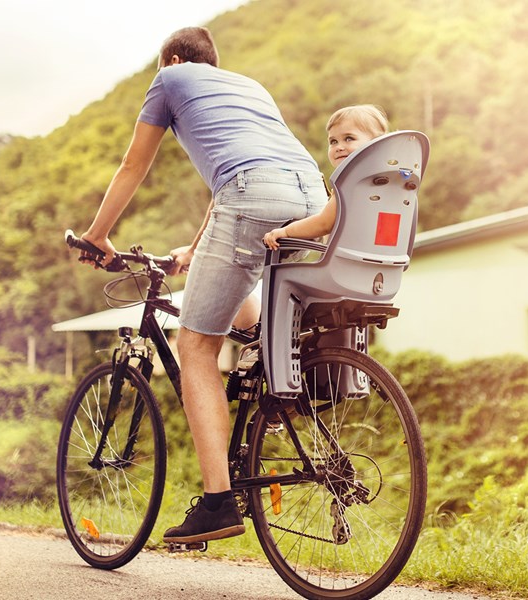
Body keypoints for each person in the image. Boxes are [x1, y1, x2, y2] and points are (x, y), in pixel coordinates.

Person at [78, 26, 327, 545]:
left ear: (172, 58)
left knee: (195, 345)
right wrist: (194, 250)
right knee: (240, 288)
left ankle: (218, 502)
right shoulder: (248, 87)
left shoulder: (169, 77)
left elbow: (133, 164)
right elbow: (243, 177)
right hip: (312, 198)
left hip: (251, 196)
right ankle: (273, 389)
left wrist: (98, 235)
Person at [262, 104, 389, 250]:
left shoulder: (350, 183)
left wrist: (285, 231)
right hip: (381, 258)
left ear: (376, 144)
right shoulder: (388, 182)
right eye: (333, 141)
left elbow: (323, 223)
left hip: (345, 262)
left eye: (349, 138)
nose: (339, 147)